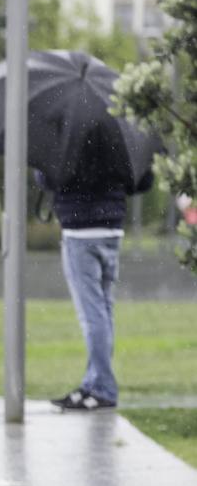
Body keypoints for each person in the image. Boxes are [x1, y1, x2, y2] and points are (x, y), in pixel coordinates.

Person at [37, 151, 153, 411]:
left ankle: (102, 388)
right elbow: (144, 182)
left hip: (80, 232)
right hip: (112, 229)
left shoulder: (68, 135)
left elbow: (45, 179)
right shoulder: (117, 133)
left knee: (92, 315)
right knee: (103, 312)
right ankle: (94, 383)